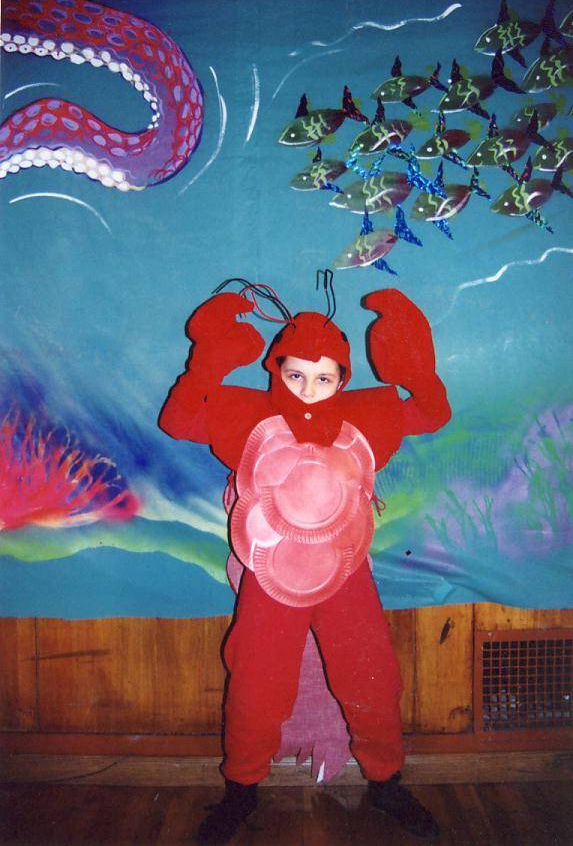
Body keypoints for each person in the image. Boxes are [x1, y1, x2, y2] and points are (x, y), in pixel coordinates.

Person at [159, 283, 451, 843]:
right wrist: (208, 363)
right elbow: (178, 419)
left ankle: (386, 782)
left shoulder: (365, 414)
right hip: (271, 577)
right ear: (276, 369)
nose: (309, 391)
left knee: (371, 676)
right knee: (255, 682)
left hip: (345, 572)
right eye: (296, 375)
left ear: (342, 378)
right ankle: (241, 789)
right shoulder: (249, 414)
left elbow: (433, 412)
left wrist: (413, 366)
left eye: (323, 378)